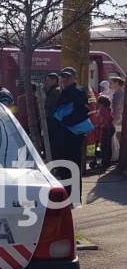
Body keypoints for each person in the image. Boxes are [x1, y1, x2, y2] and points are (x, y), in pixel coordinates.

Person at [48, 67, 91, 198]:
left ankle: (73, 197)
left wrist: (65, 121)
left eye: (68, 77)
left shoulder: (77, 91)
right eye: (63, 77)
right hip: (63, 136)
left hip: (70, 136)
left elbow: (82, 112)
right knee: (65, 167)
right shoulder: (65, 91)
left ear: (74, 78)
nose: (65, 79)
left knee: (71, 166)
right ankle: (68, 195)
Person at [95, 95, 115, 169]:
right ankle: (107, 162)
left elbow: (104, 120)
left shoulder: (102, 110)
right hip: (110, 129)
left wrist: (100, 125)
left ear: (101, 103)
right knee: (108, 146)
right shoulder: (107, 109)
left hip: (107, 129)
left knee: (104, 146)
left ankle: (105, 163)